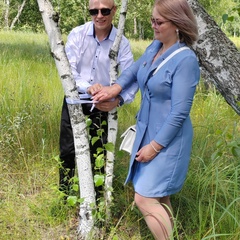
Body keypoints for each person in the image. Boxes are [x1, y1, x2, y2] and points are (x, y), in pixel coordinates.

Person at [91, 0, 200, 238]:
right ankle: (172, 235)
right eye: (152, 20)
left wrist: (154, 146)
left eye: (158, 22)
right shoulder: (155, 47)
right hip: (147, 132)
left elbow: (180, 112)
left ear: (178, 24)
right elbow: (134, 71)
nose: (153, 25)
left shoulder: (185, 61)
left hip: (168, 139)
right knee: (160, 195)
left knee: (144, 198)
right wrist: (114, 89)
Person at [59, 0, 138, 196]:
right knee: (68, 150)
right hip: (75, 100)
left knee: (99, 154)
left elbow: (132, 79)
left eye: (104, 10)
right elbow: (69, 71)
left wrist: (117, 99)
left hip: (103, 106)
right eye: (94, 11)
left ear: (114, 11)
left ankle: (97, 199)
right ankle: (66, 196)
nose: (99, 15)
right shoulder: (77, 34)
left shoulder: (122, 43)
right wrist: (89, 87)